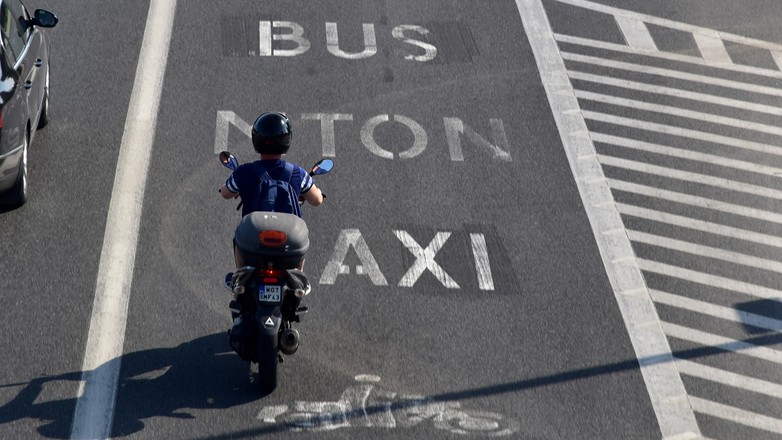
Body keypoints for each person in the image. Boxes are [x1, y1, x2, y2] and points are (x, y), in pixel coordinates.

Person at [219, 111, 324, 267]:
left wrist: (235, 189)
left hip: (253, 234)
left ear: (256, 140)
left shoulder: (244, 172)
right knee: (302, 241)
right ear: (286, 141)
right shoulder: (297, 173)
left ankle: (240, 276)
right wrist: (318, 192)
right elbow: (316, 200)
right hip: (289, 237)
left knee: (238, 238)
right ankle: (298, 279)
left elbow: (226, 193)